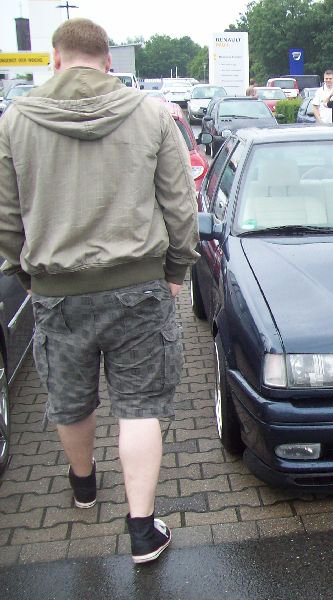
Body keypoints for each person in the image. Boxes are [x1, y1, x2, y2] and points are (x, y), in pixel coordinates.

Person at [0, 18, 199, 564]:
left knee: (71, 399)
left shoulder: (14, 120)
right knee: (138, 406)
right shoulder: (152, 115)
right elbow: (180, 206)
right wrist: (178, 268)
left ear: (55, 60)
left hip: (56, 290)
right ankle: (141, 530)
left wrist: (29, 274)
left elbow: (6, 217)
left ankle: (84, 485)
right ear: (109, 61)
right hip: (139, 285)